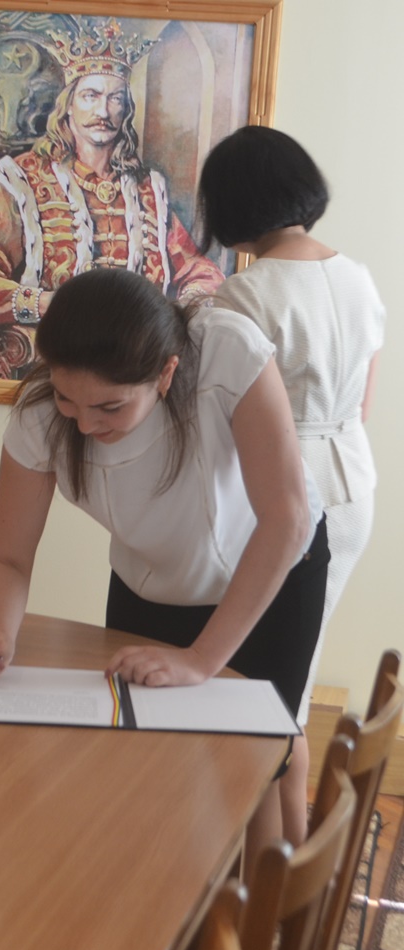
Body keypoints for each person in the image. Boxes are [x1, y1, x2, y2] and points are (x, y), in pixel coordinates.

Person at [0, 268, 329, 878]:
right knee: (142, 756)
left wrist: (201, 660)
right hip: (150, 581)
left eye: (110, 406)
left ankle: (261, 912)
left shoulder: (227, 351)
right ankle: (162, 890)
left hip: (273, 571)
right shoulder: (40, 417)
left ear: (165, 373)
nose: (84, 425)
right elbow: (7, 556)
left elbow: (286, 520)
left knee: (260, 759)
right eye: (68, 399)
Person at [197, 124, 385, 838]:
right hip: (352, 484)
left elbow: (228, 421)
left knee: (271, 697)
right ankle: (290, 862)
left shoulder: (244, 296)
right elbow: (361, 405)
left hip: (283, 497)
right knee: (290, 685)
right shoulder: (358, 276)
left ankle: (281, 868)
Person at [0, 16, 224, 337]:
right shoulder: (22, 181)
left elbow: (202, 273)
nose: (103, 112)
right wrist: (55, 304)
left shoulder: (147, 189)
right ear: (68, 105)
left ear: (126, 110)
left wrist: (177, 312)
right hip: (53, 345)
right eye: (90, 96)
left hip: (134, 347)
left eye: (115, 99)